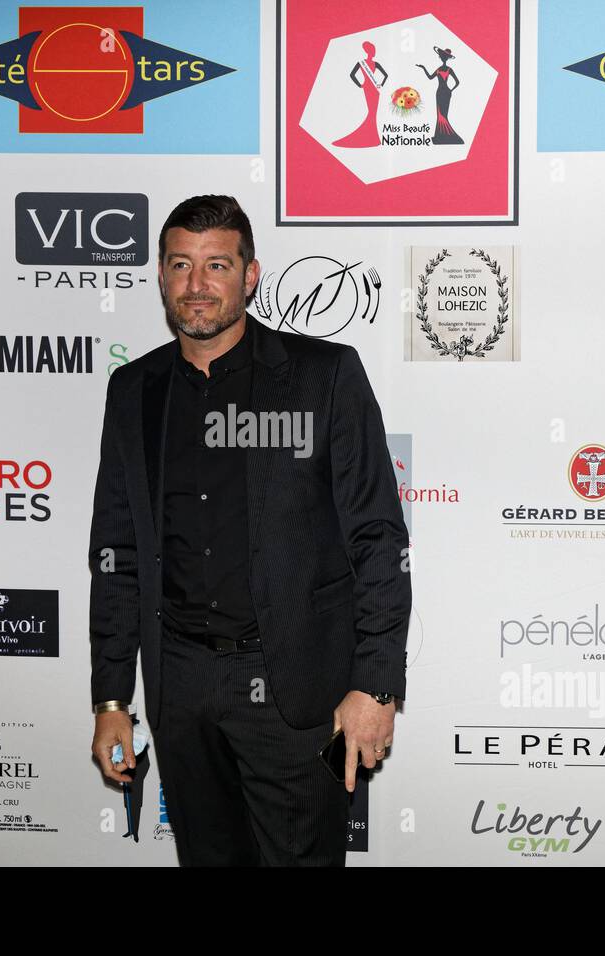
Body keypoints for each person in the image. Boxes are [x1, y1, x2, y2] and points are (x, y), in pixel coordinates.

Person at [87, 195, 411, 866]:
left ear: (251, 276)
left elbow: (378, 539)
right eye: (181, 265)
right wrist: (113, 697)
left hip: (290, 683)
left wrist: (375, 687)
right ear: (159, 275)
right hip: (178, 682)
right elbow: (115, 553)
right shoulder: (134, 391)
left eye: (216, 265)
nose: (197, 285)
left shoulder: (323, 378)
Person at [332, 40, 388, 148]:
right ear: (369, 51)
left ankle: (372, 138)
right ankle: (370, 138)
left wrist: (379, 84)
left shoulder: (373, 64)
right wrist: (360, 84)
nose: (374, 52)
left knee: (373, 113)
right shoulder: (363, 63)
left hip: (372, 89)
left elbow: (385, 75)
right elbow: (352, 74)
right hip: (369, 88)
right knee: (372, 113)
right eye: (373, 50)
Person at [417, 46, 463, 145]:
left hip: (444, 92)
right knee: (440, 114)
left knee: (443, 115)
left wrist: (451, 90)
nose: (442, 58)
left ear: (445, 58)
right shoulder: (440, 69)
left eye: (443, 56)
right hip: (441, 93)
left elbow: (457, 82)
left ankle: (446, 136)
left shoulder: (448, 69)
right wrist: (423, 68)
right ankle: (440, 136)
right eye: (442, 56)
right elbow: (430, 77)